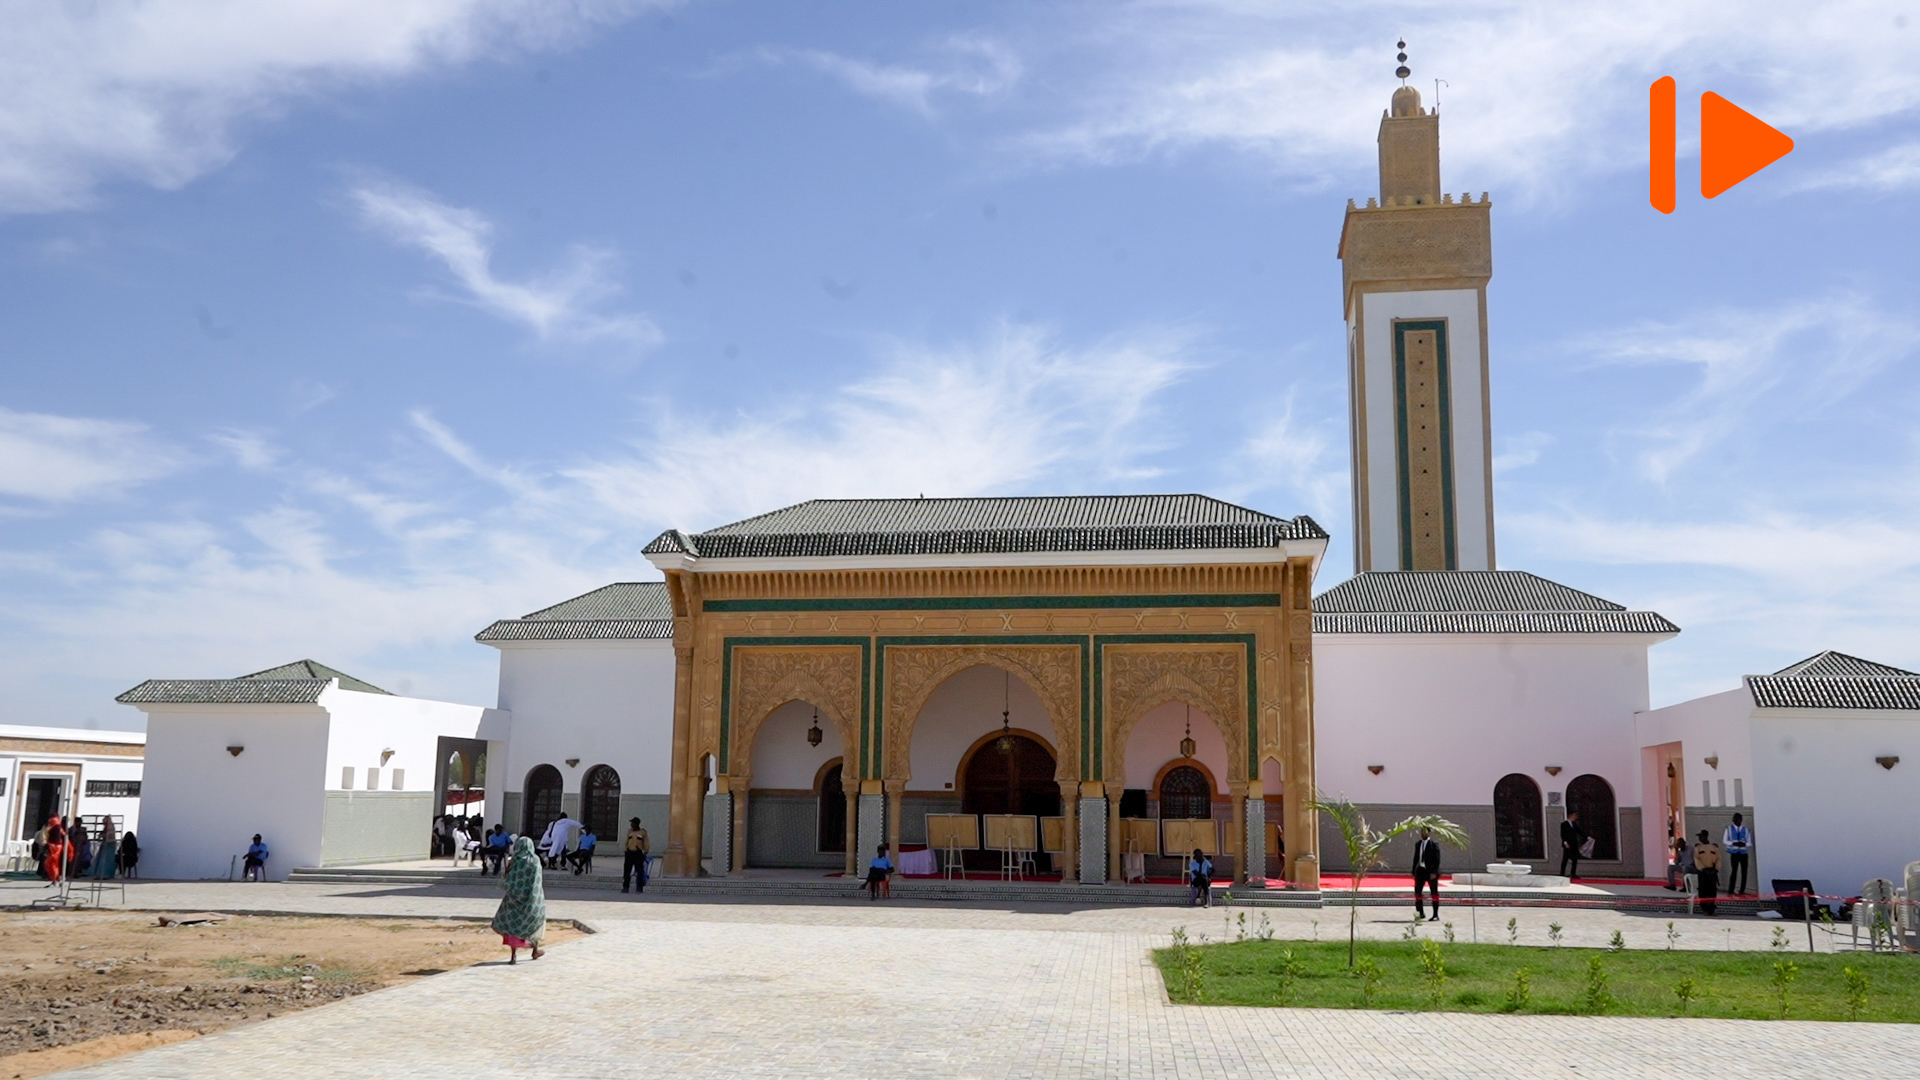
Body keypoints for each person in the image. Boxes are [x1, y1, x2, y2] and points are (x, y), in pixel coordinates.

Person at [490, 836, 547, 964]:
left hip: (513, 898)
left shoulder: (514, 861)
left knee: (512, 926)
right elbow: (537, 881)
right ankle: (535, 950)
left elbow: (507, 879)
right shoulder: (535, 860)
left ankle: (513, 955)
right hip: (531, 899)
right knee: (534, 922)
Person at [1411, 826, 1442, 920]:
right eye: (1421, 832)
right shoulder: (1418, 844)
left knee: (1434, 893)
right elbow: (1416, 858)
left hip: (1431, 872)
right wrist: (1413, 871)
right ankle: (1420, 913)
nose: (1422, 834)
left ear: (1429, 833)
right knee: (1418, 892)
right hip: (1420, 870)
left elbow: (1437, 859)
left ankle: (1435, 914)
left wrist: (1434, 872)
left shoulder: (1433, 844)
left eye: (1424, 832)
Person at [1692, 828, 1722, 915]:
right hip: (1703, 872)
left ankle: (1711, 908)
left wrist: (1716, 869)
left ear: (1705, 836)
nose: (1700, 838)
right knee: (1703, 891)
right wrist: (1703, 869)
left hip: (1712, 871)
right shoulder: (1698, 847)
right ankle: (1705, 908)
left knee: (1712, 891)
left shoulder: (1714, 847)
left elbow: (1719, 858)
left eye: (1701, 836)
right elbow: (1696, 859)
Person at [1722, 813, 1752, 896]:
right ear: (1733, 820)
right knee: (1734, 871)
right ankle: (1730, 891)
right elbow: (1725, 841)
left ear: (1741, 820)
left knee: (1744, 872)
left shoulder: (1746, 830)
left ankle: (1742, 890)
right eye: (1735, 820)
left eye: (1739, 820)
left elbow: (1749, 842)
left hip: (1743, 853)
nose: (1737, 821)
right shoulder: (1728, 829)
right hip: (1734, 853)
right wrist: (1733, 843)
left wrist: (1744, 844)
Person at [622, 817, 649, 894]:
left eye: (633, 823)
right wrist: (625, 850)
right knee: (627, 871)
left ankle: (639, 887)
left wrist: (645, 851)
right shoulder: (629, 832)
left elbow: (646, 842)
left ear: (636, 824)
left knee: (639, 871)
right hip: (629, 853)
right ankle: (625, 887)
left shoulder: (642, 833)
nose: (631, 824)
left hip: (638, 853)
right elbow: (626, 842)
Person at [41, 816, 69, 885]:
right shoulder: (59, 828)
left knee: (51, 864)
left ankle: (55, 880)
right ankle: (57, 879)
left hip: (55, 848)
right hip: (57, 848)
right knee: (52, 864)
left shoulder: (54, 828)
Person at [1558, 810, 1585, 880]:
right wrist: (1565, 842)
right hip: (1568, 844)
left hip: (1574, 844)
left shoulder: (1574, 824)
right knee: (1565, 859)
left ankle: (1573, 873)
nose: (1575, 817)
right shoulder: (1564, 824)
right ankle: (1562, 873)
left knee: (1575, 859)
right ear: (1570, 816)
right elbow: (1563, 834)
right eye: (1574, 815)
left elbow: (1579, 832)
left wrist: (1587, 837)